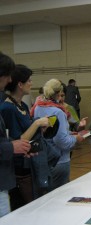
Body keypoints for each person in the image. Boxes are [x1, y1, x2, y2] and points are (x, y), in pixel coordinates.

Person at [0, 65, 51, 209]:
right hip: (19, 169)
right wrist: (36, 124)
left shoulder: (22, 105)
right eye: (28, 80)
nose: (31, 83)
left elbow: (29, 134)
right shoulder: (7, 108)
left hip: (30, 162)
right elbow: (17, 141)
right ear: (20, 84)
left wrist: (40, 128)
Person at [31, 79, 84, 190]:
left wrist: (70, 132)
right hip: (59, 160)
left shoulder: (37, 107)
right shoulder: (58, 112)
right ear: (58, 93)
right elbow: (61, 141)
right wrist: (76, 139)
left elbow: (52, 131)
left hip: (45, 158)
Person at [0, 53, 31, 217]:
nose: (9, 81)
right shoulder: (7, 107)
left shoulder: (23, 105)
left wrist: (20, 146)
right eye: (6, 76)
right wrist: (12, 146)